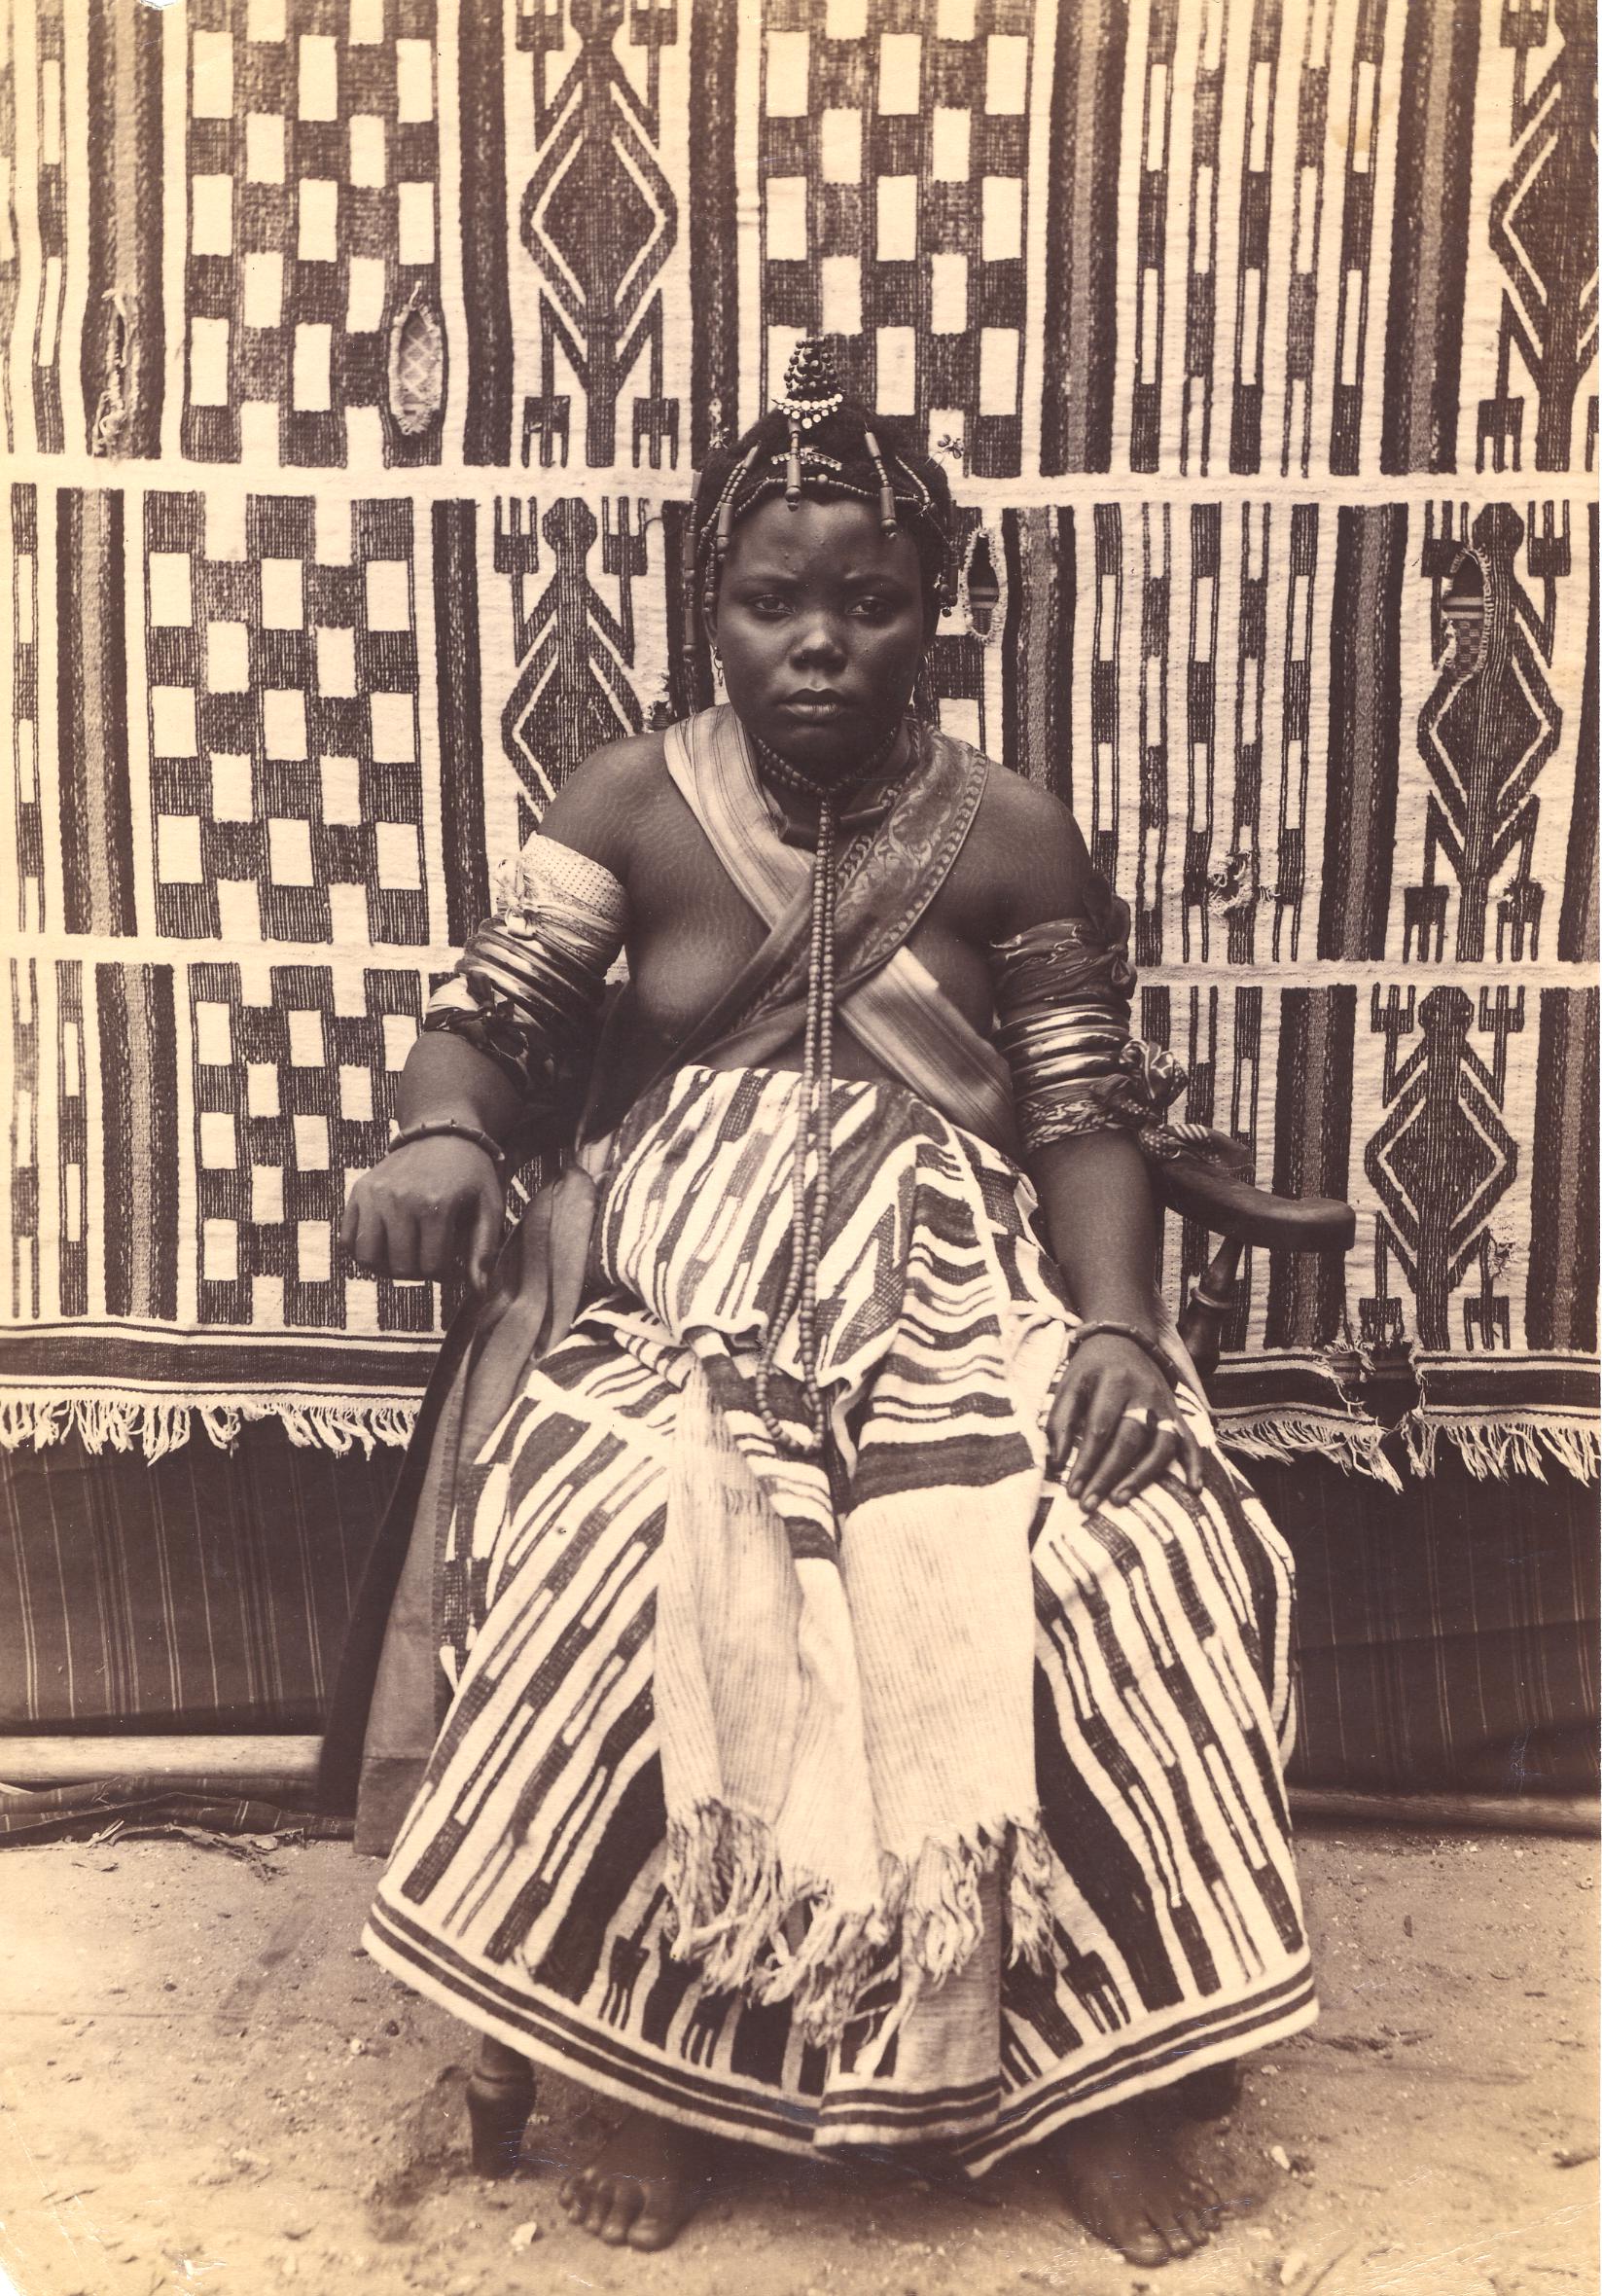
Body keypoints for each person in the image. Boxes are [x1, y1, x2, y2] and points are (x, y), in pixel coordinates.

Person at [330, 342, 1315, 2269]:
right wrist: (450, 1136)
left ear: (932, 611)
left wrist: (1114, 1328)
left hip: (951, 1289)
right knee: (634, 1538)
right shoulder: (627, 797)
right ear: (710, 610)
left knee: (1121, 1542)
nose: (815, 643)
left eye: (864, 603)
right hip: (680, 1299)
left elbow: (1078, 1108)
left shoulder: (1010, 831)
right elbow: (490, 1022)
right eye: (770, 601)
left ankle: (1082, 2070)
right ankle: (647, 2063)